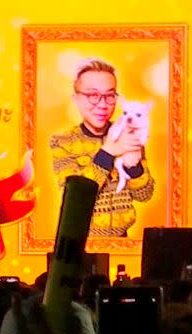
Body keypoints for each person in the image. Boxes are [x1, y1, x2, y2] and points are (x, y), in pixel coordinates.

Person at [49, 58, 154, 237]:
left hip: (122, 242)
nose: (103, 104)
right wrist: (109, 152)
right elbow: (75, 199)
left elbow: (144, 195)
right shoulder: (63, 141)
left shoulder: (128, 132)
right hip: (81, 242)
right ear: (76, 99)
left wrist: (134, 167)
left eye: (110, 96)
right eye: (92, 95)